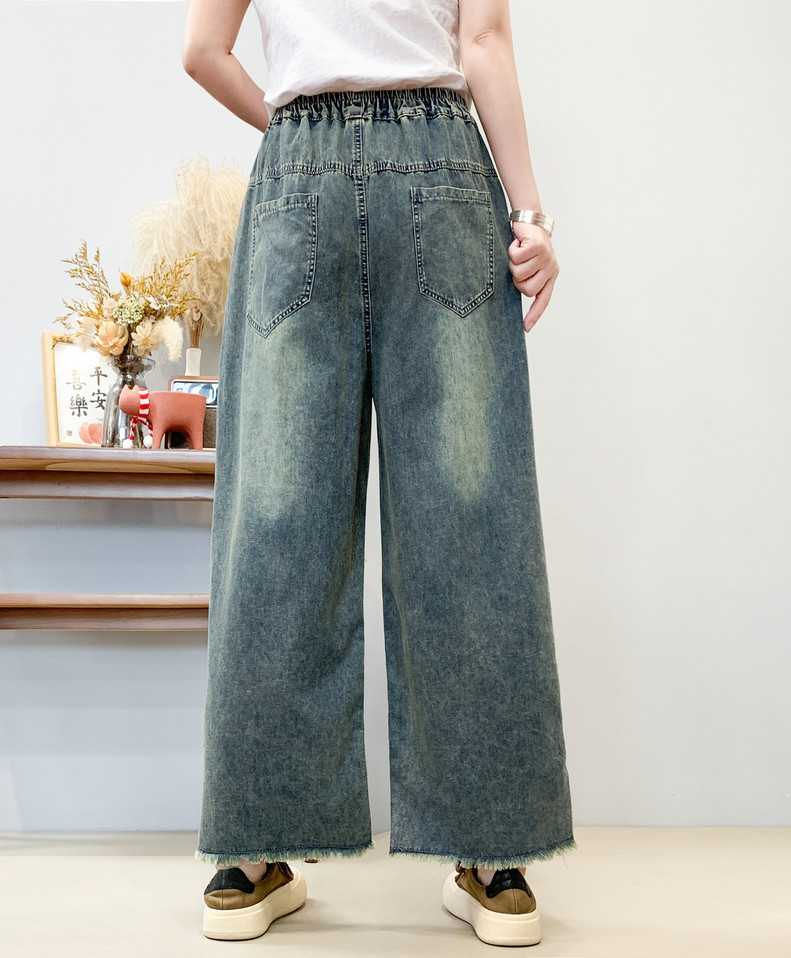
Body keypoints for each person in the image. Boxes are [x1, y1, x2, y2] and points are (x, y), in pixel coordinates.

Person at [182, 0, 576, 946]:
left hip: (302, 174)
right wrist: (528, 214)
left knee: (277, 512)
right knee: (469, 511)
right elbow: (481, 42)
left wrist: (298, 132)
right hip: (441, 164)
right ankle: (492, 854)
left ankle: (257, 850)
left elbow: (205, 51)